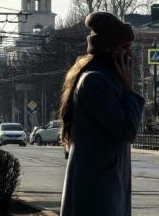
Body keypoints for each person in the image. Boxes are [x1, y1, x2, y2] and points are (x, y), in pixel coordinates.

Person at [60, 12, 145, 216]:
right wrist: (129, 91)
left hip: (104, 187)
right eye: (126, 47)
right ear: (110, 50)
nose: (131, 54)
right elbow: (127, 130)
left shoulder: (104, 79)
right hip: (97, 194)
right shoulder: (95, 81)